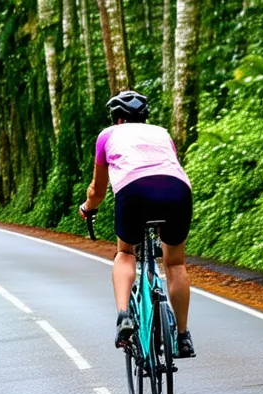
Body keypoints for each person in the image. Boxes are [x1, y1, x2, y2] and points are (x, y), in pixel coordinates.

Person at [79, 91, 196, 358]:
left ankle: (124, 317)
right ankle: (182, 336)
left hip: (134, 191)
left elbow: (98, 191)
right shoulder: (162, 133)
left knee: (125, 253)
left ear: (117, 119)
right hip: (177, 190)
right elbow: (166, 166)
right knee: (175, 263)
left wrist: (87, 208)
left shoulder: (107, 136)